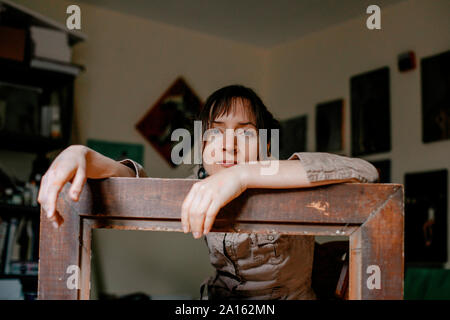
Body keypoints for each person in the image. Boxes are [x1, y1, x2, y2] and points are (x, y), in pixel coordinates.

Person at [38, 84, 378, 300]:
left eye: (245, 134)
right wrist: (82, 155)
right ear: (202, 146)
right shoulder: (200, 182)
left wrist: (243, 176)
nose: (228, 144)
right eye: (216, 133)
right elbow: (135, 183)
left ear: (265, 147)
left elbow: (366, 172)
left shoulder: (281, 176)